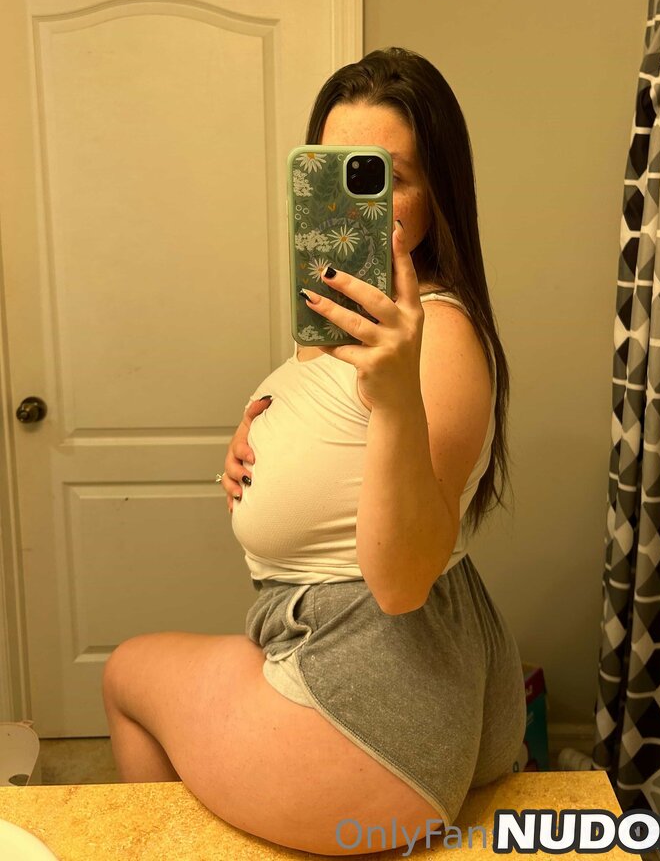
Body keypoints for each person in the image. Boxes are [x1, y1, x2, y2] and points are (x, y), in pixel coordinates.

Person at [102, 47, 526, 856]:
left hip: (378, 691)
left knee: (126, 673)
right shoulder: (345, 325)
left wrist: (396, 395)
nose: (361, 201)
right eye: (337, 172)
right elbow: (341, 441)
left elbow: (404, 580)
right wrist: (259, 436)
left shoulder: (439, 338)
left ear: (439, 192)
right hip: (371, 671)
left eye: (389, 177)